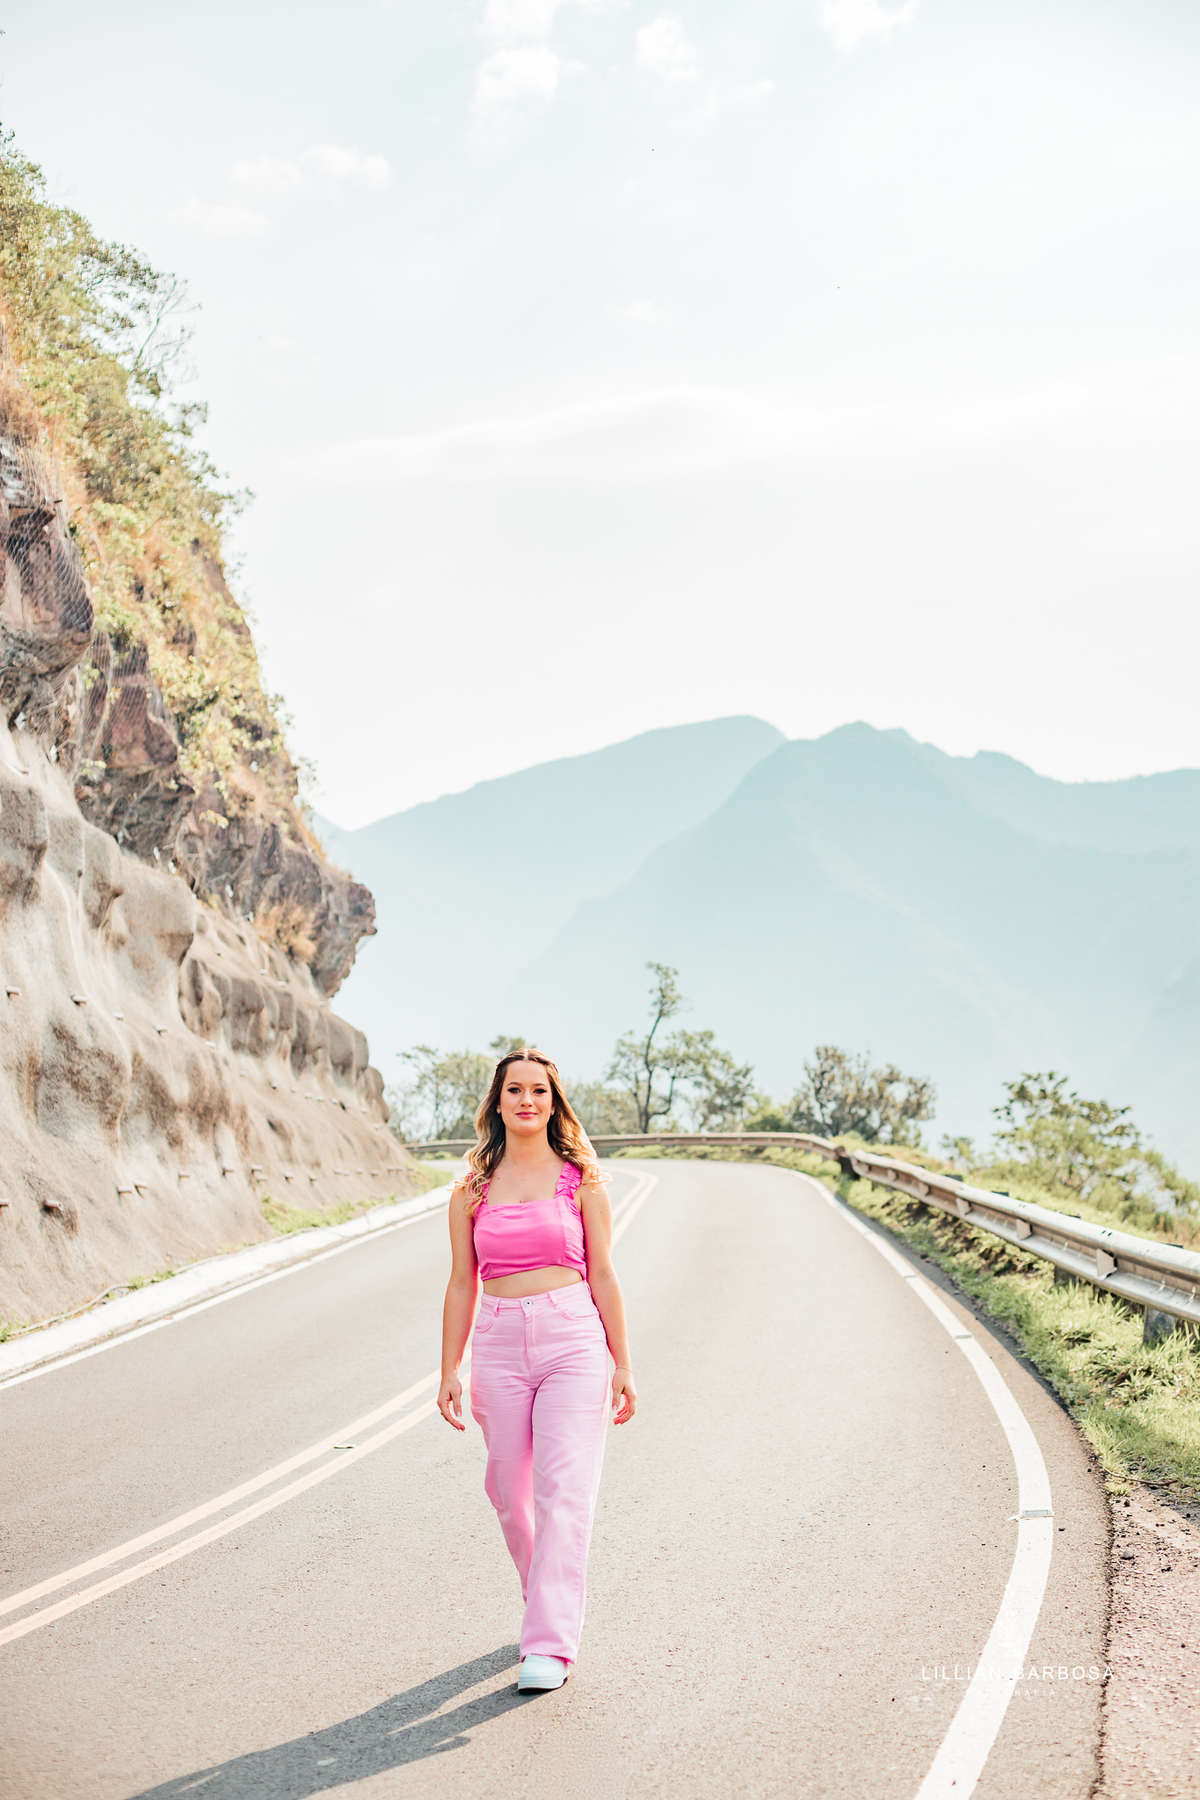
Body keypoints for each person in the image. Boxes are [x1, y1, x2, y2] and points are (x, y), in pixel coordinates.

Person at [437, 1047, 636, 1692]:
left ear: (555, 1105)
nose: (527, 1101)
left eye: (540, 1092)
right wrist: (449, 1369)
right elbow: (462, 1281)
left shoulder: (583, 1183)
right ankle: (543, 1599)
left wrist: (622, 1363)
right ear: (497, 1102)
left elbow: (603, 1274)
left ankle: (549, 1644)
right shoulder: (470, 1192)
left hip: (572, 1339)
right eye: (515, 1090)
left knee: (562, 1490)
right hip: (497, 1340)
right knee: (507, 1490)